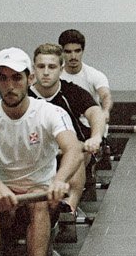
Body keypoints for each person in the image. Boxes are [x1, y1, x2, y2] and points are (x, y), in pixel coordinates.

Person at [0, 47, 83, 256]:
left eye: (17, 77)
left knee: (38, 201)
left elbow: (74, 150)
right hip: (2, 196)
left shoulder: (51, 113)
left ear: (29, 79)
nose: (10, 86)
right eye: (3, 78)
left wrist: (59, 180)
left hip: (40, 197)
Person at [29, 42, 106, 212]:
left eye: (52, 67)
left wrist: (96, 137)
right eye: (41, 67)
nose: (46, 72)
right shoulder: (25, 98)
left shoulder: (72, 92)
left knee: (76, 152)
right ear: (33, 69)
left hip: (71, 151)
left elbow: (95, 113)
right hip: (37, 154)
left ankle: (68, 209)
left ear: (61, 69)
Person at [57, 30, 111, 125]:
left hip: (91, 126)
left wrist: (105, 111)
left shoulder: (95, 75)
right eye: (68, 52)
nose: (73, 56)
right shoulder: (56, 75)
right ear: (61, 52)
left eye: (77, 51)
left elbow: (105, 95)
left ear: (83, 51)